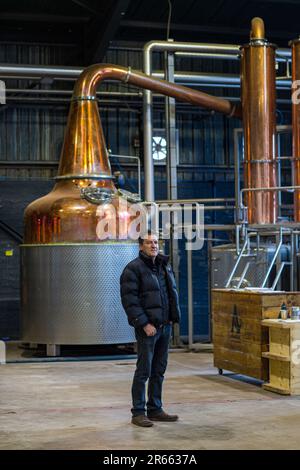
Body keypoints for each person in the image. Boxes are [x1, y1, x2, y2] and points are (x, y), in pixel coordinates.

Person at [120, 231, 181, 427]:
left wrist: (172, 319)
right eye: (149, 243)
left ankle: (155, 408)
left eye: (156, 242)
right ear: (140, 246)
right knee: (144, 371)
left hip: (164, 327)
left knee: (158, 370)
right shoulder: (133, 269)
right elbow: (130, 301)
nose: (154, 245)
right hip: (148, 328)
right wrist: (144, 323)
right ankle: (138, 412)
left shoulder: (164, 266)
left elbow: (170, 294)